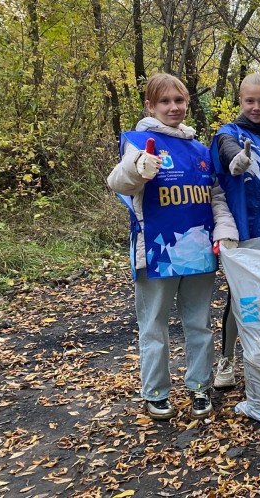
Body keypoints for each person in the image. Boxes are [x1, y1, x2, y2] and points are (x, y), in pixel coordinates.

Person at [107, 73, 238, 421]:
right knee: (154, 325)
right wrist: (137, 168)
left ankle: (199, 386)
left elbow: (216, 197)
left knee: (199, 324)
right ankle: (156, 392)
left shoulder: (199, 149)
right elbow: (117, 181)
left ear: (187, 103)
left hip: (197, 253)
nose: (173, 107)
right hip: (155, 253)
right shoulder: (138, 142)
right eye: (164, 101)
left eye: (178, 100)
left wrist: (224, 231)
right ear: (151, 105)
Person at [210, 73, 260, 389]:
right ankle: (227, 360)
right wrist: (238, 159)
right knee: (239, 298)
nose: (256, 107)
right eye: (249, 100)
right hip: (242, 232)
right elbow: (228, 151)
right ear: (240, 101)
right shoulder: (228, 133)